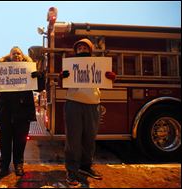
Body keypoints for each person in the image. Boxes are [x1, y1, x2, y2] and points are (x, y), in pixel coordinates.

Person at [61, 38, 116, 186]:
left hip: (93, 104)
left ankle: (85, 167)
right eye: (79, 49)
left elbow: (104, 82)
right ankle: (71, 171)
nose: (82, 50)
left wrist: (110, 78)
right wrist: (63, 78)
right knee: (73, 140)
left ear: (90, 50)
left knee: (89, 139)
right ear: (76, 51)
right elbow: (64, 84)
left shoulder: (98, 64)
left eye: (85, 48)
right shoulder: (71, 65)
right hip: (74, 104)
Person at [0, 46, 44, 179]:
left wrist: (39, 77)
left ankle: (18, 164)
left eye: (19, 53)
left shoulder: (29, 70)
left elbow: (39, 89)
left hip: (23, 111)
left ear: (22, 56)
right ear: (9, 56)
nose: (16, 55)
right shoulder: (1, 70)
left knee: (20, 141)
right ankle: (4, 166)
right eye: (13, 53)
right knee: (4, 140)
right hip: (5, 111)